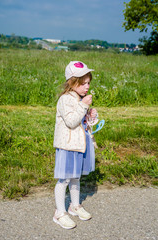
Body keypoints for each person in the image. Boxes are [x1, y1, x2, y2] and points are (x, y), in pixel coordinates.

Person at [53, 61, 97, 229]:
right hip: (67, 146)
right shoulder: (65, 100)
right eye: (83, 83)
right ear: (72, 82)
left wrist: (90, 116)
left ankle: (74, 206)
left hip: (79, 145)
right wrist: (84, 105)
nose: (87, 87)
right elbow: (71, 121)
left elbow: (83, 122)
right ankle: (59, 213)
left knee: (76, 177)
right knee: (64, 179)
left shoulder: (79, 99)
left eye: (88, 83)